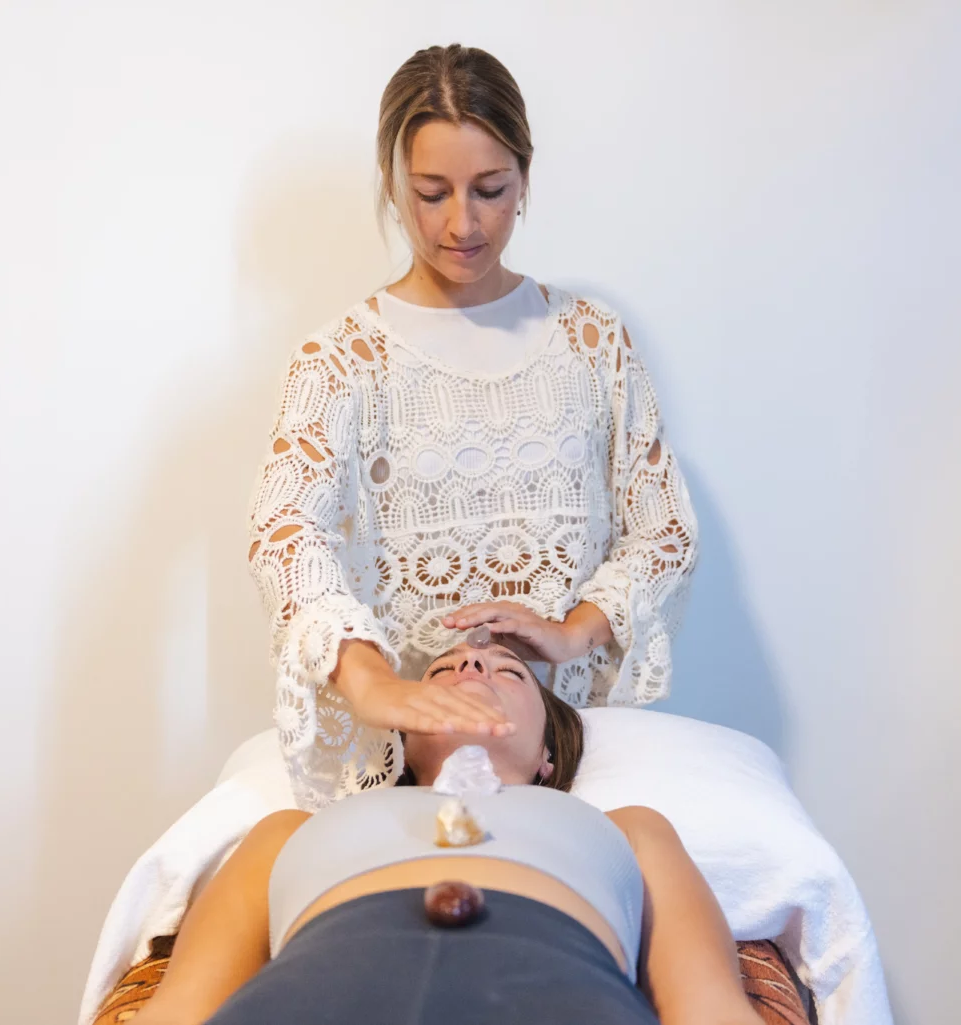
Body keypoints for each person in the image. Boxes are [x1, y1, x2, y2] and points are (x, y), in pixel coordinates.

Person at [247, 43, 699, 810]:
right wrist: (372, 680)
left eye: (490, 189)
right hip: (409, 774)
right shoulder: (342, 362)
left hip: (558, 763)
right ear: (393, 187)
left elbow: (663, 532)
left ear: (525, 178)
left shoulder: (591, 341)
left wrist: (569, 631)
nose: (463, 222)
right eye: (432, 193)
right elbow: (284, 532)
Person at [125, 641, 764, 1025]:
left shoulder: (628, 830)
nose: (472, 661)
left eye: (510, 672)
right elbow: (183, 1010)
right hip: (318, 991)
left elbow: (709, 1008)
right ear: (400, 734)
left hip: (556, 990)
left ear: (548, 753)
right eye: (440, 671)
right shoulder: (289, 831)